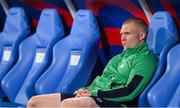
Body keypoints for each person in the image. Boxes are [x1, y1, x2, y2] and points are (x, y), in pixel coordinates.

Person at [27, 18, 157, 107]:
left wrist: (93, 93)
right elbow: (102, 81)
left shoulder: (145, 60)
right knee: (35, 103)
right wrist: (86, 90)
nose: (122, 37)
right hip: (94, 96)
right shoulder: (117, 59)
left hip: (116, 103)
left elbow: (130, 91)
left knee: (69, 105)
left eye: (127, 33)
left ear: (141, 36)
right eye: (121, 34)